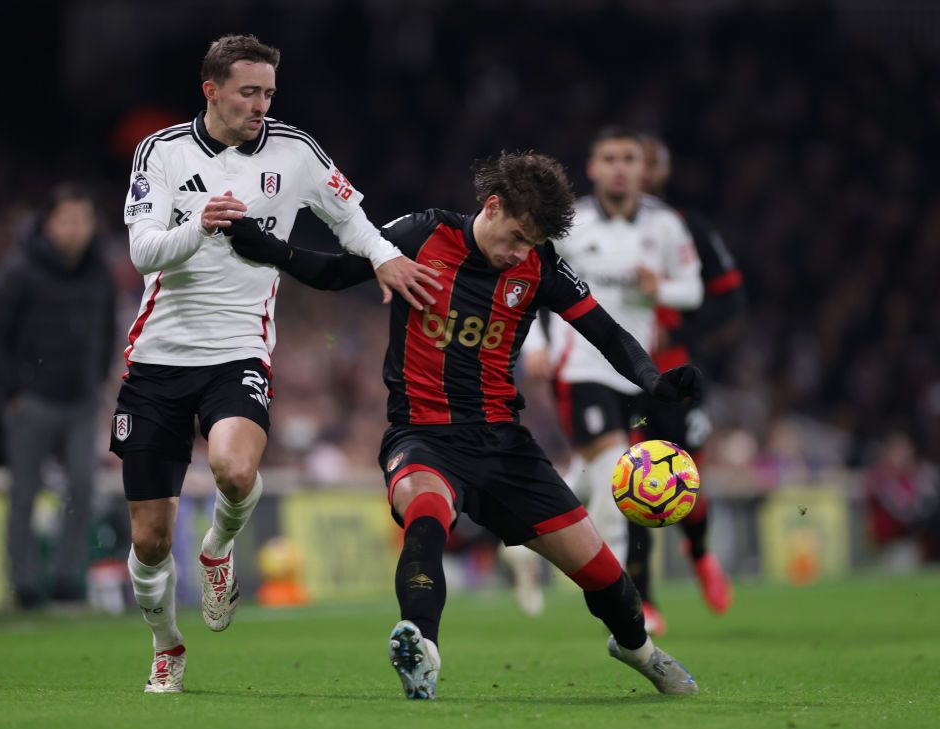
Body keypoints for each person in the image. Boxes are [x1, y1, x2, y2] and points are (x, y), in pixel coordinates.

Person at [225, 151, 703, 699]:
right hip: (422, 435)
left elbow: (606, 332)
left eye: (534, 243)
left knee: (602, 573)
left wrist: (653, 380)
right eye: (518, 236)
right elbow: (335, 271)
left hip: (504, 444)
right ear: (492, 206)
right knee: (425, 516)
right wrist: (265, 247)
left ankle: (638, 649)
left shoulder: (540, 264)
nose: (520, 252)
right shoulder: (421, 234)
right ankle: (421, 650)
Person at [110, 34, 440, 693]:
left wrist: (383, 257)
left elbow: (352, 218)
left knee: (235, 468)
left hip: (240, 347)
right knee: (148, 538)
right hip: (156, 359)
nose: (261, 104)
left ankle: (219, 548)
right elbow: (145, 252)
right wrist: (199, 223)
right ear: (212, 90)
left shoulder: (295, 152)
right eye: (248, 92)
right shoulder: (163, 152)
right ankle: (167, 645)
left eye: (268, 92)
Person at [509, 126, 703, 619]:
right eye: (610, 158)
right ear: (593, 169)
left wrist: (660, 288)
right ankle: (624, 603)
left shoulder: (665, 226)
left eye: (629, 159)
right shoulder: (570, 224)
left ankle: (519, 543)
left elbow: (693, 290)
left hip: (636, 371)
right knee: (620, 470)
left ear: (644, 168)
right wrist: (535, 344)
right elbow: (527, 277)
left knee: (596, 476)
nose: (620, 167)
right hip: (579, 367)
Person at [623, 134, 744, 633]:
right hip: (624, 375)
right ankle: (644, 599)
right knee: (632, 480)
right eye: (633, 162)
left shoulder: (683, 227)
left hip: (677, 372)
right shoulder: (594, 228)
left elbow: (730, 296)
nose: (642, 172)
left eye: (652, 163)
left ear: (664, 172)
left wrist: (682, 330)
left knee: (684, 478)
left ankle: (699, 553)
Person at [0, 184, 116, 608]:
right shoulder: (20, 271)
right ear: (49, 223)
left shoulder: (100, 272)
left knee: (82, 484)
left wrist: (97, 379)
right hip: (32, 402)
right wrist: (13, 391)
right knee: (25, 490)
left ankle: (69, 578)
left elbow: (108, 331)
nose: (75, 229)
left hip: (80, 401)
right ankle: (24, 583)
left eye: (83, 220)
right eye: (66, 219)